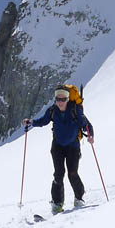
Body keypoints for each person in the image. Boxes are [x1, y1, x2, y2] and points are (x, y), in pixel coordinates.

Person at [23, 86, 94, 214]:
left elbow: (87, 125)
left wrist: (90, 135)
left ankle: (79, 198)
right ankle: (57, 203)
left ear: (67, 99)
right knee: (58, 174)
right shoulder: (52, 111)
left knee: (72, 173)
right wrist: (31, 122)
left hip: (73, 147)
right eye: (58, 99)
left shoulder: (75, 110)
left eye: (63, 99)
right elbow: (43, 121)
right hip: (57, 147)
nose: (60, 102)